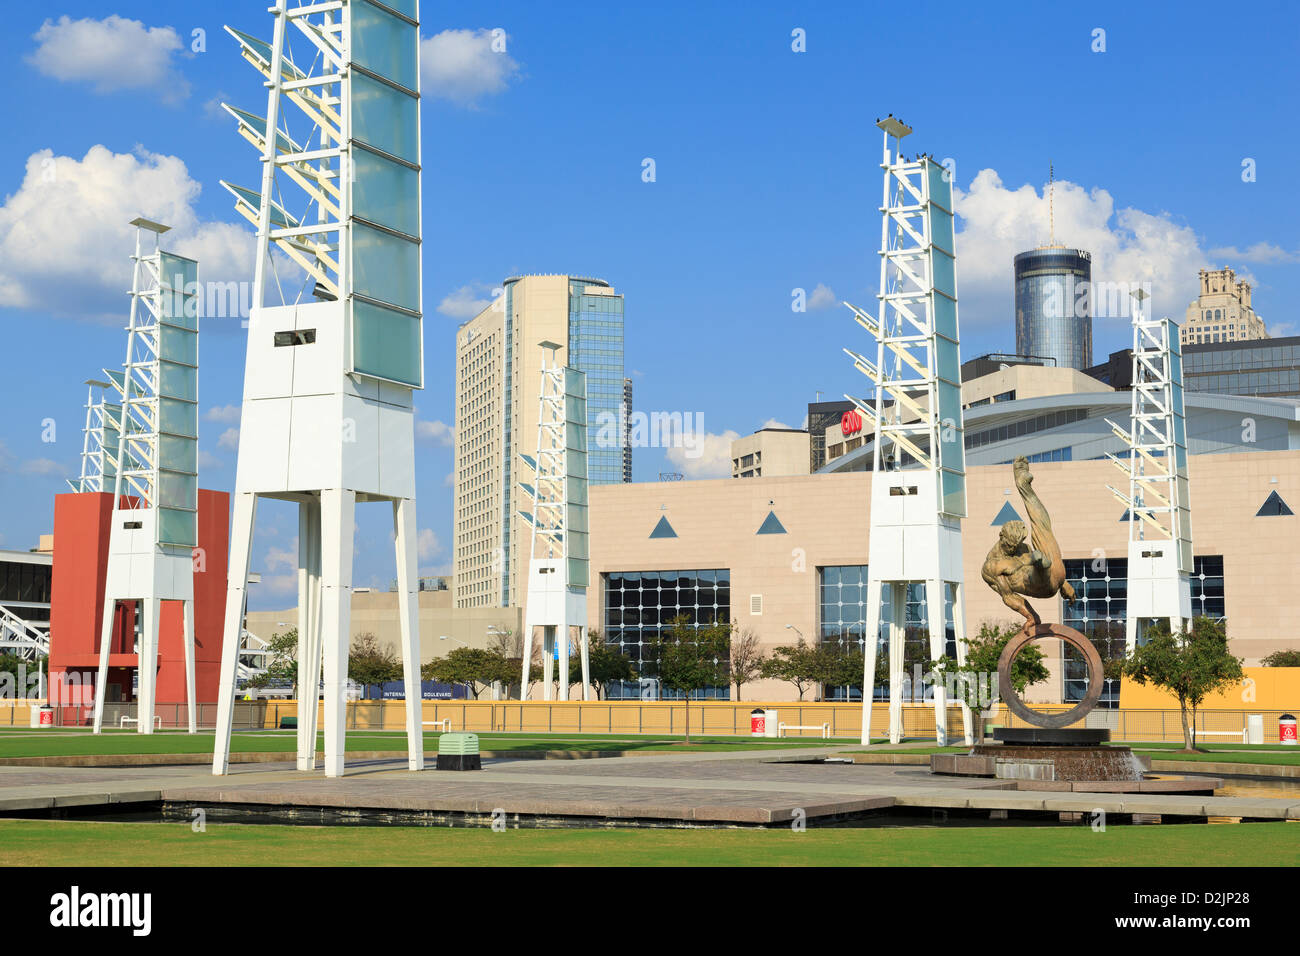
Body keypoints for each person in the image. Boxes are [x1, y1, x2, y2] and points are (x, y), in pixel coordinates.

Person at [980, 456, 1077, 627]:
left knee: (1042, 527)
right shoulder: (991, 568)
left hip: (1054, 571)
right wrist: (1032, 616)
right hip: (1041, 586)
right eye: (1011, 545)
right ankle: (1039, 563)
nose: (1015, 548)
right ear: (1001, 536)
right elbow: (1009, 597)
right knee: (1031, 571)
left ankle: (1023, 485)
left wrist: (1063, 582)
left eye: (1017, 544)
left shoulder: (1022, 547)